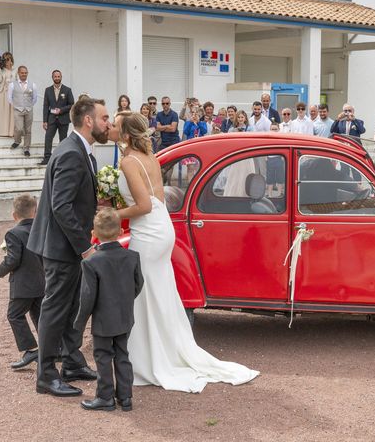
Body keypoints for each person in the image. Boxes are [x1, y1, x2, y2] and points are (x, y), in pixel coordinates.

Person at [108, 111, 259, 392]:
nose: (111, 128)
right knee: (158, 291)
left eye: (115, 125)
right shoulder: (149, 158)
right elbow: (157, 200)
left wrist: (113, 215)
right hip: (161, 226)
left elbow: (142, 205)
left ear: (126, 134)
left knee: (144, 292)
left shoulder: (129, 161)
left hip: (148, 231)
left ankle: (149, 358)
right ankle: (164, 349)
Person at [28, 95, 111, 397]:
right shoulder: (71, 153)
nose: (108, 124)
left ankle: (73, 362)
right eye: (104, 118)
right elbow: (61, 206)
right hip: (60, 248)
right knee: (55, 309)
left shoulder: (82, 151)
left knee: (74, 306)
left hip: (66, 246)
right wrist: (84, 248)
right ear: (88, 120)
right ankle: (46, 375)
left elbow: (71, 200)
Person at [74, 208, 144, 412]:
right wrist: (124, 301)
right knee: (122, 354)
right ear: (121, 231)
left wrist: (79, 322)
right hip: (125, 317)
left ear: (94, 233)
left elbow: (87, 297)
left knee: (103, 356)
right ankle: (125, 397)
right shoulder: (132, 256)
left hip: (104, 320)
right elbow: (138, 284)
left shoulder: (91, 262)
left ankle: (105, 397)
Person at [0, 194, 45, 370]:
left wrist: (0, 271)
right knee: (40, 316)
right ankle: (50, 349)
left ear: (14, 215)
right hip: (42, 281)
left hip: (23, 285)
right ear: (36, 211)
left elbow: (13, 260)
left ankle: (31, 349)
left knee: (14, 315)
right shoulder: (42, 229)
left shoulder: (13, 233)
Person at [39, 69, 75, 165]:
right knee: (48, 138)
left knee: (63, 140)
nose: (57, 78)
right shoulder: (48, 90)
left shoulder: (67, 90)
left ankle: (62, 159)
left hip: (63, 119)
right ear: (52, 77)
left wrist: (61, 110)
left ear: (61, 77)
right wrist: (44, 121)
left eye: (59, 76)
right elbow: (45, 106)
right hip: (51, 119)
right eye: (55, 76)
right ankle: (47, 157)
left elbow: (72, 104)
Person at [8, 66, 38, 157]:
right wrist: (16, 105)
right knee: (19, 128)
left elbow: (35, 98)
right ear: (18, 73)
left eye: (25, 73)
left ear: (27, 73)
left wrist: (29, 106)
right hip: (17, 109)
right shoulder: (12, 84)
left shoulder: (33, 85)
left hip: (29, 109)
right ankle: (17, 141)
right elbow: (9, 98)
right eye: (22, 73)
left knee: (28, 130)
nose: (24, 74)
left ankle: (26, 148)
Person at [0, 51, 15, 137]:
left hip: (12, 92)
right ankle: (2, 131)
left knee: (11, 111)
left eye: (8, 59)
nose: (7, 62)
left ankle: (11, 131)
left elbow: (16, 80)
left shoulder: (15, 70)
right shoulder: (2, 70)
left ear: (11, 60)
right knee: (2, 111)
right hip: (3, 92)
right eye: (5, 60)